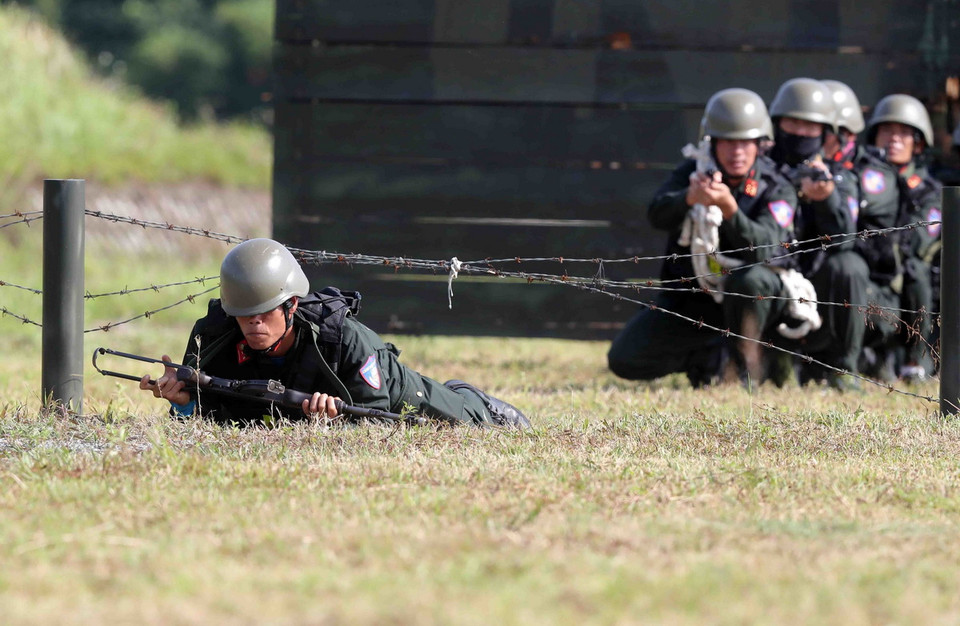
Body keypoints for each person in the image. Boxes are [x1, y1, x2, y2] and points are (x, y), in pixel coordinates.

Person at [140, 238, 531, 427]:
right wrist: (182, 401)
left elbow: (380, 418)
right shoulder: (216, 338)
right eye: (244, 316)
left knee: (455, 417)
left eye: (264, 313)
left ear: (291, 306)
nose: (253, 324)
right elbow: (217, 415)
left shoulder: (342, 338)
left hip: (389, 390)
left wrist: (337, 419)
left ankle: (476, 399)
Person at [607, 87, 799, 387]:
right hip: (695, 300)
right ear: (713, 142)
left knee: (749, 281)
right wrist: (688, 198)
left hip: (755, 302)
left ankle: (748, 371)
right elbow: (657, 213)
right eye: (728, 142)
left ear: (759, 144)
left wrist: (730, 210)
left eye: (746, 143)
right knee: (625, 358)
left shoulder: (776, 186)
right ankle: (709, 357)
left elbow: (765, 248)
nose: (737, 152)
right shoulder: (693, 172)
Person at [765, 77, 861, 389]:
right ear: (778, 123)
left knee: (850, 267)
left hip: (816, 283)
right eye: (793, 123)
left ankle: (843, 369)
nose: (801, 133)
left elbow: (845, 237)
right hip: (767, 274)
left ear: (825, 132)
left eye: (811, 126)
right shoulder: (760, 165)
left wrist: (825, 198)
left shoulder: (836, 175)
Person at [862, 95, 942, 380]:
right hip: (874, 285)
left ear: (917, 142)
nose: (893, 139)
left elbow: (921, 246)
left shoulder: (929, 193)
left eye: (903, 132)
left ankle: (917, 362)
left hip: (914, 294)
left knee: (918, 272)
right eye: (887, 131)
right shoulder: (862, 183)